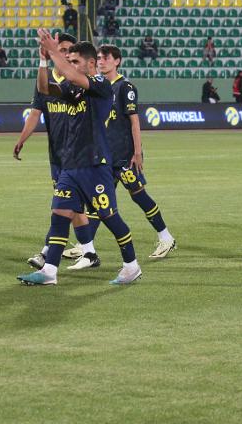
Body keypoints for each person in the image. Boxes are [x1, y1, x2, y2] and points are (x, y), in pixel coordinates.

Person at [17, 33, 142, 286]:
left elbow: (72, 75)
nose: (70, 65)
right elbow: (45, 89)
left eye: (75, 61)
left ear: (90, 64)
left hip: (94, 164)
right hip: (71, 164)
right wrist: (43, 62)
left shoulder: (100, 86)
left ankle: (131, 265)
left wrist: (54, 51)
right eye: (69, 61)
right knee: (60, 212)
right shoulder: (75, 88)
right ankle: (50, 271)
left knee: (109, 217)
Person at [78, 43, 176, 265]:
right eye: (99, 58)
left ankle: (166, 237)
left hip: (123, 156)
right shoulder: (98, 86)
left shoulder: (125, 87)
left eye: (105, 58)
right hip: (105, 156)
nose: (101, 61)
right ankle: (87, 248)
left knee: (138, 196)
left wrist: (137, 152)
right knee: (98, 202)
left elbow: (134, 121)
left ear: (117, 61)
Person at [13, 34, 99, 268]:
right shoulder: (51, 81)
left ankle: (48, 253)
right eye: (60, 50)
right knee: (71, 207)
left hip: (81, 155)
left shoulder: (82, 82)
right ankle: (89, 253)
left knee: (64, 205)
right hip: (58, 154)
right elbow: (36, 110)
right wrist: (22, 139)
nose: (64, 54)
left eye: (68, 51)